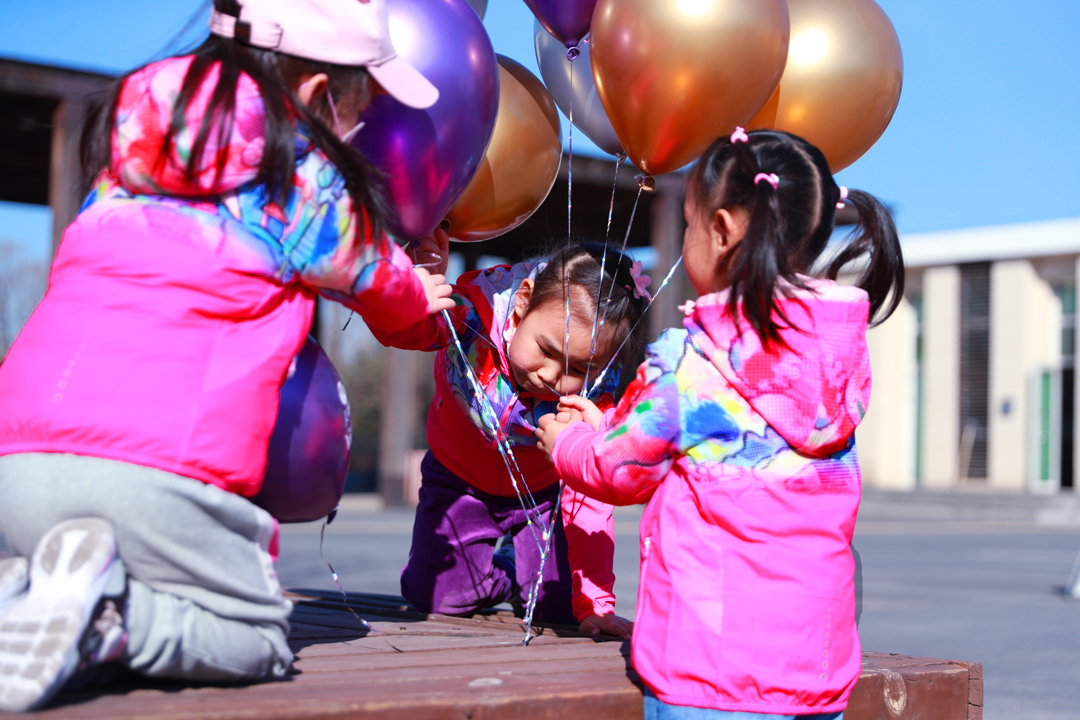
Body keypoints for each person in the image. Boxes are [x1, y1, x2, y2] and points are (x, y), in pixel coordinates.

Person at [0, 0, 455, 712]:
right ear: (315, 95)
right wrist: (420, 291)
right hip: (158, 474)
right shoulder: (302, 177)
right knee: (250, 636)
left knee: (131, 567)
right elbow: (387, 291)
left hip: (17, 467)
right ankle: (113, 617)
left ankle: (32, 590)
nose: (361, 125)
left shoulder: (132, 146)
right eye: (360, 104)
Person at [536, 128, 904, 719]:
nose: (685, 238)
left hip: (709, 674)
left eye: (689, 223)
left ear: (724, 230)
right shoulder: (834, 364)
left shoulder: (696, 364)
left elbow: (619, 468)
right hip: (816, 671)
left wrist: (570, 440)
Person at [372, 236, 650, 636]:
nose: (551, 376)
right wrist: (401, 297)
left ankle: (529, 575)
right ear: (522, 302)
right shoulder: (473, 314)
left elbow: (588, 492)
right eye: (546, 350)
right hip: (460, 479)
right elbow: (406, 332)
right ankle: (510, 569)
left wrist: (595, 604)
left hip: (546, 494)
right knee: (437, 597)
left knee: (560, 610)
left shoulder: (593, 395)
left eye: (577, 368)